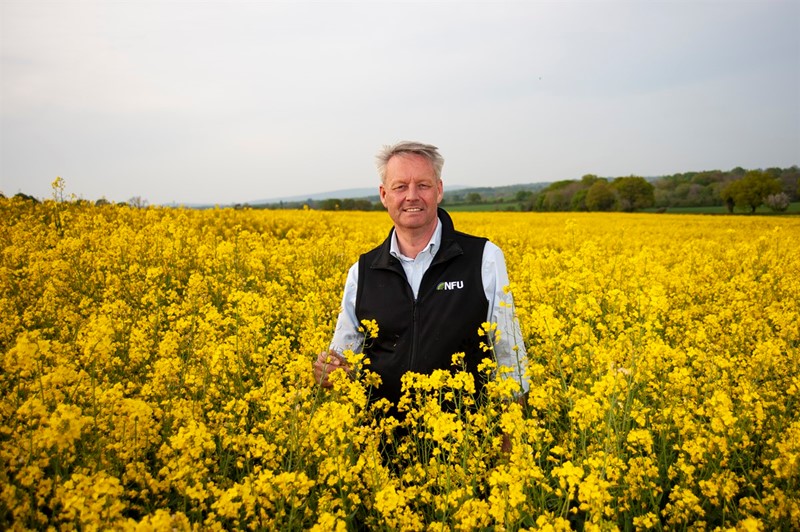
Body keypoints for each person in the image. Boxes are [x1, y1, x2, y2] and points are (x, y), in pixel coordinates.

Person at [313, 141, 529, 411]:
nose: (412, 196)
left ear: (439, 190)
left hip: (467, 444)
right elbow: (346, 362)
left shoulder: (483, 258)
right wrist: (330, 371)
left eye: (423, 185)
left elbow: (509, 351)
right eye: (400, 186)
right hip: (383, 444)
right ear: (384, 195)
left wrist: (512, 436)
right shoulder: (362, 272)